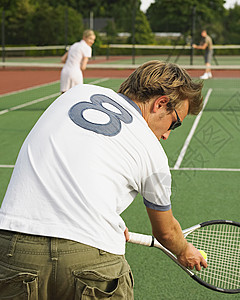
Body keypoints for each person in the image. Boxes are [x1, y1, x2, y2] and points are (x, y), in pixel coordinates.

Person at [0, 60, 207, 299]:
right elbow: (167, 233)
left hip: (13, 250)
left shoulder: (78, 92)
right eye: (175, 123)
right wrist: (183, 250)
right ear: (160, 103)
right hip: (92, 260)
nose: (168, 134)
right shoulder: (153, 153)